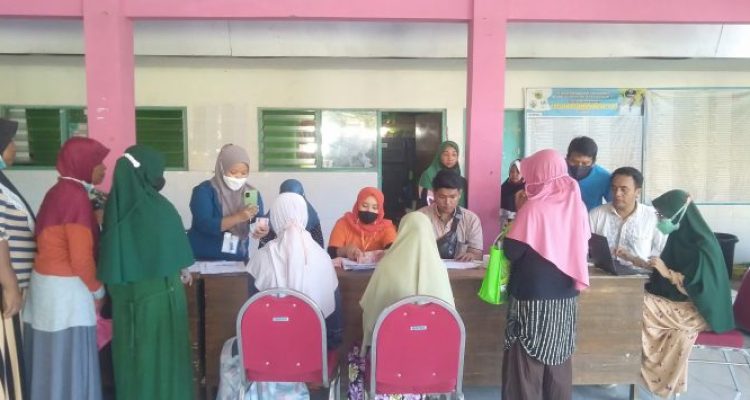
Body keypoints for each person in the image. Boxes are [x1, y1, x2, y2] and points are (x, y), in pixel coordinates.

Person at [98, 146, 196, 400]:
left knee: (133, 360)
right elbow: (176, 252)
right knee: (164, 359)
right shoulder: (159, 208)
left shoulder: (113, 206)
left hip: (125, 301)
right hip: (161, 297)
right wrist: (181, 268)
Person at [23, 137, 109, 400]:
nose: (104, 168)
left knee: (49, 358)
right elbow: (81, 258)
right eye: (99, 162)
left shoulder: (56, 192)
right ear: (83, 163)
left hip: (45, 287)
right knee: (70, 358)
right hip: (67, 292)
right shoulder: (76, 197)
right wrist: (98, 291)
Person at [502, 149, 590, 400]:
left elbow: (512, 251)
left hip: (532, 300)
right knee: (558, 360)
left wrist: (520, 211)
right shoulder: (577, 206)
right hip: (565, 298)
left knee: (526, 367)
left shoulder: (534, 208)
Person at [348, 212, 455, 399]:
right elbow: (451, 321)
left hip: (390, 365)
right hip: (432, 366)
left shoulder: (386, 267)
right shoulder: (439, 270)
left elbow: (370, 319)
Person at [641, 189, 734, 398]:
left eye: (663, 215)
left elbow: (701, 288)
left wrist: (666, 272)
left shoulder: (704, 246)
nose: (660, 219)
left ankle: (645, 371)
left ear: (679, 214)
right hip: (679, 302)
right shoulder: (678, 237)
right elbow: (664, 271)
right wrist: (635, 260)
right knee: (633, 298)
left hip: (697, 310)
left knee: (637, 306)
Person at [247, 192, 341, 348]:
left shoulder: (259, 259)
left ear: (275, 217)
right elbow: (334, 324)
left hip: (269, 351)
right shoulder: (323, 258)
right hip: (314, 353)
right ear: (304, 215)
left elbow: (252, 317)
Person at [0, 118, 35, 399]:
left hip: (12, 287)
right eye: (10, 142)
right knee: (7, 360)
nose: (15, 147)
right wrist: (10, 283)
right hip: (4, 289)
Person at [188, 144, 269, 262]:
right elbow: (204, 224)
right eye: (233, 172)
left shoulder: (250, 193)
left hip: (237, 258)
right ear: (222, 169)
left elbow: (256, 218)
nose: (238, 177)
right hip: (205, 258)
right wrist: (239, 217)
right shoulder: (205, 191)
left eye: (244, 173)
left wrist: (261, 229)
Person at [589, 167, 666, 268]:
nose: (617, 194)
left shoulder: (654, 216)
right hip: (602, 275)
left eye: (623, 190)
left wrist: (636, 260)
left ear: (637, 192)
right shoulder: (595, 215)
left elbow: (661, 254)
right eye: (614, 188)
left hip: (641, 275)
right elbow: (585, 251)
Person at [418, 169, 483, 261]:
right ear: (434, 194)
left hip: (460, 270)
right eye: (442, 197)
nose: (447, 202)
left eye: (452, 197)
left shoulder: (471, 219)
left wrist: (471, 255)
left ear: (460, 194)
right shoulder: (420, 217)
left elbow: (477, 254)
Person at [327, 187, 397, 261]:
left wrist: (386, 253)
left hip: (379, 268)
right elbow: (332, 252)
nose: (369, 210)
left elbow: (395, 249)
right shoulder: (343, 223)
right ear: (357, 205)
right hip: (346, 268)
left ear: (380, 210)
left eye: (374, 207)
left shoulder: (386, 227)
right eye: (364, 206)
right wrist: (346, 250)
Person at [259, 179, 324, 249]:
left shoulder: (273, 213)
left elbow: (263, 245)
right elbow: (319, 246)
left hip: (279, 252)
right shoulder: (312, 215)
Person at [566, 136, 611, 210]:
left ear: (593, 162)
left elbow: (613, 204)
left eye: (585, 163)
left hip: (591, 216)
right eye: (574, 161)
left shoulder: (604, 177)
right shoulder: (557, 172)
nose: (579, 166)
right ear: (567, 158)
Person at [418, 140, 465, 207]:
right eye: (446, 154)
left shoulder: (460, 178)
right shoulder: (428, 175)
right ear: (439, 156)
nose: (450, 158)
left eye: (454, 155)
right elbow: (426, 202)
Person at [500, 159, 525, 230]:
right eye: (512, 171)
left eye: (518, 172)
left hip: (518, 223)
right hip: (503, 222)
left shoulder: (525, 188)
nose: (514, 174)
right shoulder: (505, 185)